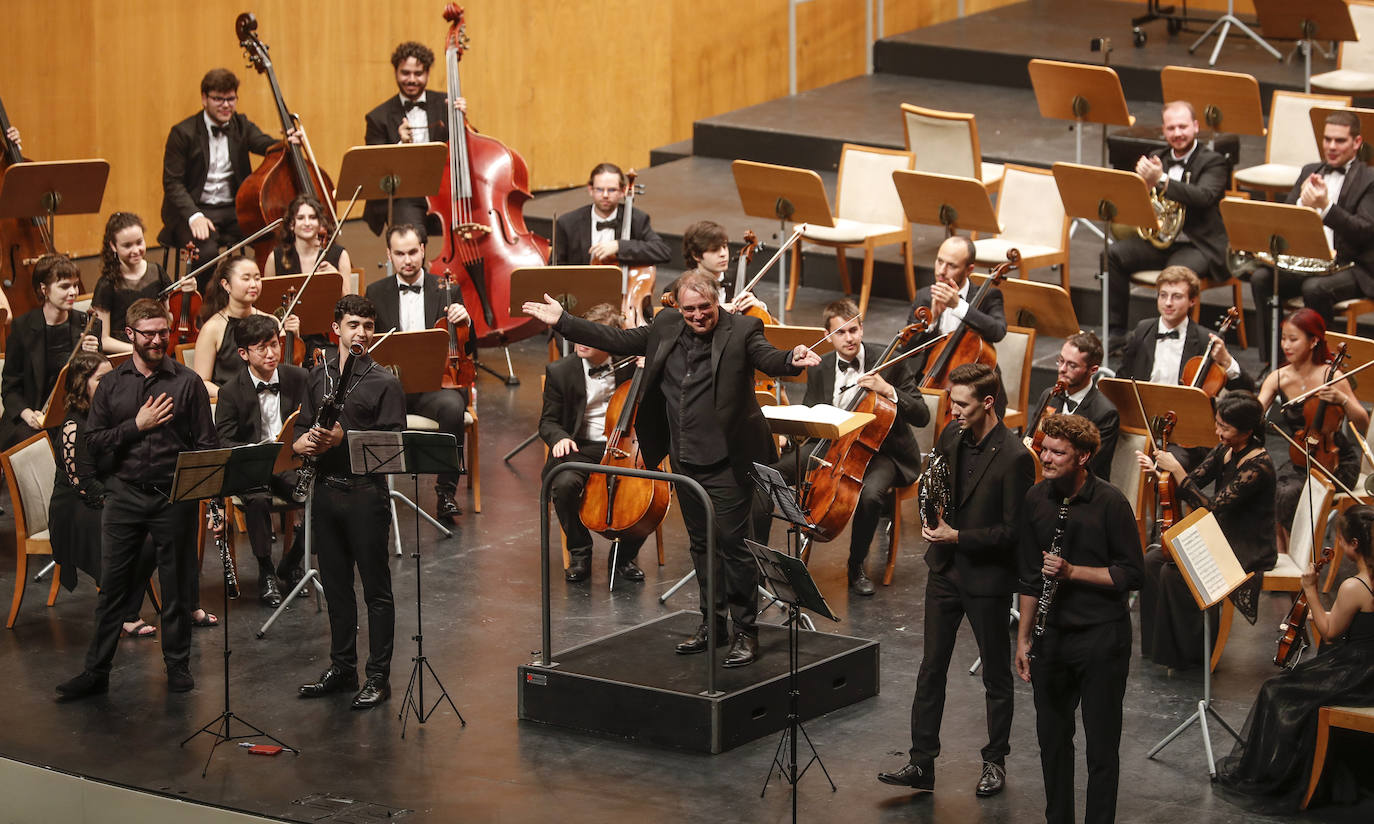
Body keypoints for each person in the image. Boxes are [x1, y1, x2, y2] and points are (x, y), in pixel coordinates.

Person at [522, 271, 821, 667]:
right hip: (685, 460)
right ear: (678, 307)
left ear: (718, 302)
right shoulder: (665, 325)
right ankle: (711, 626)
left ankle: (745, 631)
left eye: (706, 308)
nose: (698, 316)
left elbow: (767, 356)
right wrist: (564, 321)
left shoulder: (743, 329)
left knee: (734, 548)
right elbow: (616, 339)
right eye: (690, 309)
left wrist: (791, 359)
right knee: (700, 545)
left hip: (728, 461)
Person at [878, 362, 1033, 797]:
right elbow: (938, 487)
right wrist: (933, 519)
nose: (953, 410)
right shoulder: (951, 434)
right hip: (944, 571)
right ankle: (921, 762)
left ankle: (994, 762)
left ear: (988, 403)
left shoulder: (1017, 457)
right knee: (931, 669)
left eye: (962, 404)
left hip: (987, 578)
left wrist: (958, 535)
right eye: (951, 401)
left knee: (995, 678)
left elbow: (1012, 533)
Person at [55, 298, 219, 701]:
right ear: (130, 335)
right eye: (149, 333)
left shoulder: (187, 383)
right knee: (113, 588)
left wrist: (212, 503)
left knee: (177, 586)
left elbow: (206, 446)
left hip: (173, 498)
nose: (158, 339)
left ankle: (177, 665)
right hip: (125, 497)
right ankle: (97, 671)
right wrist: (136, 425)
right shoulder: (111, 385)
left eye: (164, 332)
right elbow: (92, 444)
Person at [1015, 413, 1143, 824]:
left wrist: (1073, 572)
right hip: (1051, 640)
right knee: (1053, 743)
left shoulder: (1111, 503)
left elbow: (1131, 573)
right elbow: (1030, 576)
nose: (1046, 458)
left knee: (1101, 748)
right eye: (1044, 449)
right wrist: (1023, 639)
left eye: (1057, 452)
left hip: (1101, 639)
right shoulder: (1036, 499)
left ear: (1084, 456)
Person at [1216, 505, 1374, 810]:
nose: (1338, 545)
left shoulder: (1355, 586)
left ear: (1354, 544)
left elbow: (1329, 632)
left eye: (1340, 539)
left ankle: (1282, 777)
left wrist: (1310, 589)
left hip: (1357, 672)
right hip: (1369, 668)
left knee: (1276, 691)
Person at [294, 295, 406, 710]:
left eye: (367, 326)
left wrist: (345, 437)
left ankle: (378, 676)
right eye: (353, 325)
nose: (361, 333)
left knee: (376, 591)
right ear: (335, 329)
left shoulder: (385, 382)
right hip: (325, 490)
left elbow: (394, 446)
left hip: (364, 494)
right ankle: (343, 668)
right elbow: (303, 425)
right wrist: (301, 441)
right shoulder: (317, 375)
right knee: (337, 587)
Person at [793, 298, 929, 595]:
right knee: (782, 469)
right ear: (828, 336)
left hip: (881, 450)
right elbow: (810, 411)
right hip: (833, 446)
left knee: (870, 495)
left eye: (853, 329)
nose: (849, 338)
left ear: (862, 328)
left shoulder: (891, 360)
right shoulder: (821, 367)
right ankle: (787, 557)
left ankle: (856, 565)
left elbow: (922, 414)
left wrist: (888, 390)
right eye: (840, 333)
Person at [1136, 391, 1276, 668]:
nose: (1217, 431)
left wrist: (1176, 468)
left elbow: (1212, 506)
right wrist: (1159, 473)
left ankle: (1192, 655)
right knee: (1152, 561)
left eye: (1224, 427)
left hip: (1246, 545)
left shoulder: (1259, 466)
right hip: (1220, 536)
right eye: (1217, 424)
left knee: (1174, 572)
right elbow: (1194, 480)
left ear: (1247, 430)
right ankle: (1157, 648)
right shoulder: (1226, 450)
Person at [365, 223, 471, 523]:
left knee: (452, 407)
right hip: (389, 388)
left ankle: (445, 492)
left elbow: (467, 347)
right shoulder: (375, 292)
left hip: (432, 386)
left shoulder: (447, 288)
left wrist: (466, 322)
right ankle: (372, 490)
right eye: (399, 254)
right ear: (389, 255)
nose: (407, 260)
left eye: (413, 252)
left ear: (423, 250)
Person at [48, 352, 159, 638]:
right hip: (77, 507)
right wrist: (124, 505)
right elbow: (84, 485)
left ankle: (128, 609)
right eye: (101, 379)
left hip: (109, 495)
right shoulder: (75, 425)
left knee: (160, 528)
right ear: (81, 384)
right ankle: (124, 611)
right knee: (139, 536)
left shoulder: (109, 412)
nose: (111, 383)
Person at [159, 68, 296, 290]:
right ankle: (205, 312)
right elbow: (172, 183)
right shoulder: (183, 133)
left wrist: (287, 142)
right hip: (193, 212)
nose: (225, 105)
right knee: (206, 254)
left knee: (275, 235)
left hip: (232, 209)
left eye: (230, 99)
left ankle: (266, 295)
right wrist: (194, 216)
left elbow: (266, 145)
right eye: (218, 99)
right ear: (204, 99)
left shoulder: (241, 125)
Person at [1105, 101, 1230, 344]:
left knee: (1175, 276)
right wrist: (1144, 186)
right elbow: (1139, 202)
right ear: (1163, 131)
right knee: (1113, 254)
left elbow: (1204, 197)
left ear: (1195, 127)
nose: (1177, 133)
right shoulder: (1156, 157)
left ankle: (1169, 341)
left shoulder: (1213, 161)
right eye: (1171, 128)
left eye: (1183, 127)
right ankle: (1116, 334)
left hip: (1197, 244)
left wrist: (1161, 180)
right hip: (1161, 240)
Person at [1250, 110, 1374, 352]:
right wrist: (1302, 206)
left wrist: (1325, 208)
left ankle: (1320, 362)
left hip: (1353, 266)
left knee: (1314, 289)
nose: (1331, 146)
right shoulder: (1309, 171)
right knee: (1262, 279)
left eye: (1340, 141)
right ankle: (1272, 361)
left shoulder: (1369, 179)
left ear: (1357, 143)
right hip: (1310, 263)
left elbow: (1364, 230)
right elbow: (1284, 220)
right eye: (1327, 139)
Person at [539, 303, 646, 583]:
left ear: (608, 340)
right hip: (581, 446)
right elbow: (547, 422)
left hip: (625, 448)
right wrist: (559, 438)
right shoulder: (560, 371)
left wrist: (647, 367)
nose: (580, 341)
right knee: (562, 484)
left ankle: (623, 556)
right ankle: (580, 551)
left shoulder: (629, 365)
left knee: (649, 492)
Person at [213, 314, 310, 607]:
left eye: (274, 345)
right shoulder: (230, 392)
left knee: (321, 494)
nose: (271, 354)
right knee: (256, 501)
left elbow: (309, 421)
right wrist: (257, 450)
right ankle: (266, 568)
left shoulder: (298, 378)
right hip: (252, 469)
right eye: (261, 348)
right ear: (243, 353)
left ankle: (291, 563)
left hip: (288, 464)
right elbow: (225, 441)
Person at [1257, 309, 1367, 551]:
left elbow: (1363, 423)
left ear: (1314, 340)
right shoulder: (1278, 377)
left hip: (1336, 461)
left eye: (1293, 339)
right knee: (1270, 485)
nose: (1286, 345)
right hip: (1301, 455)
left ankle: (1299, 555)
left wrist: (1343, 400)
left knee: (1287, 494)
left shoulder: (1332, 374)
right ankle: (1283, 552)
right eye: (1283, 338)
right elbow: (1255, 411)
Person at [362, 41, 466, 235]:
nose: (411, 79)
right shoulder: (378, 118)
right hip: (405, 194)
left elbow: (468, 149)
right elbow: (376, 171)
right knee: (409, 229)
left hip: (445, 190)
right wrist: (400, 145)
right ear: (395, 72)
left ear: (427, 74)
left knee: (472, 219)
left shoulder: (446, 104)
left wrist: (463, 121)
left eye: (418, 74)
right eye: (405, 73)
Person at [0, 254, 99, 448]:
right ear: (44, 289)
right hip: (32, 415)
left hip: (74, 414)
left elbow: (97, 382)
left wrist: (94, 357)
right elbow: (10, 388)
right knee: (33, 444)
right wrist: (27, 414)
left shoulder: (87, 324)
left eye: (75, 285)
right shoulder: (22, 328)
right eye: (64, 286)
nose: (73, 292)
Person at [906, 235, 1007, 413]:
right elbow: (907, 348)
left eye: (951, 266)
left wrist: (959, 306)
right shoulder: (924, 296)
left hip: (978, 392)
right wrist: (932, 321)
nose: (941, 271)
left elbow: (998, 331)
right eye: (939, 261)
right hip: (933, 382)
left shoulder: (988, 296)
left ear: (969, 269)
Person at [1117, 265, 1251, 392]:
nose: (1168, 303)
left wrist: (1226, 360)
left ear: (1192, 301)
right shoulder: (1142, 330)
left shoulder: (1206, 339)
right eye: (1163, 295)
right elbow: (1121, 380)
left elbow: (1245, 389)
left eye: (1177, 296)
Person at [193, 253, 298, 400]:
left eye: (257, 278)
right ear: (226, 285)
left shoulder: (271, 321)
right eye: (246, 278)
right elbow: (202, 381)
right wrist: (232, 398)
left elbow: (286, 368)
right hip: (230, 406)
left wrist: (294, 337)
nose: (254, 284)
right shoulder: (213, 328)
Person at [1026, 332, 1119, 480]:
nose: (1062, 369)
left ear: (1093, 370)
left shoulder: (1105, 413)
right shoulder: (1050, 395)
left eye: (1072, 365)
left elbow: (1092, 467)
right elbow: (1030, 440)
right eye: (1061, 361)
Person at [553, 163, 671, 267]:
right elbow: (555, 265)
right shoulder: (568, 223)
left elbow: (662, 251)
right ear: (590, 190)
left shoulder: (636, 219)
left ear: (622, 191)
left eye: (611, 190)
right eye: (599, 189)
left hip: (622, 287)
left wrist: (619, 246)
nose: (605, 195)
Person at [93, 211, 175, 355]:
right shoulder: (106, 284)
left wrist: (187, 293)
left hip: (157, 348)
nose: (136, 250)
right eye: (127, 245)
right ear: (113, 246)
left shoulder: (157, 271)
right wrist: (139, 349)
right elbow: (104, 339)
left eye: (139, 242)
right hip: (126, 353)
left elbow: (171, 318)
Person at [262, 193, 353, 280]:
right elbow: (269, 295)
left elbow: (348, 295)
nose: (307, 223)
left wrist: (336, 277)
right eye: (300, 218)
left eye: (312, 217)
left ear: (320, 222)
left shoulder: (340, 255)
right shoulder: (275, 257)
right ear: (291, 224)